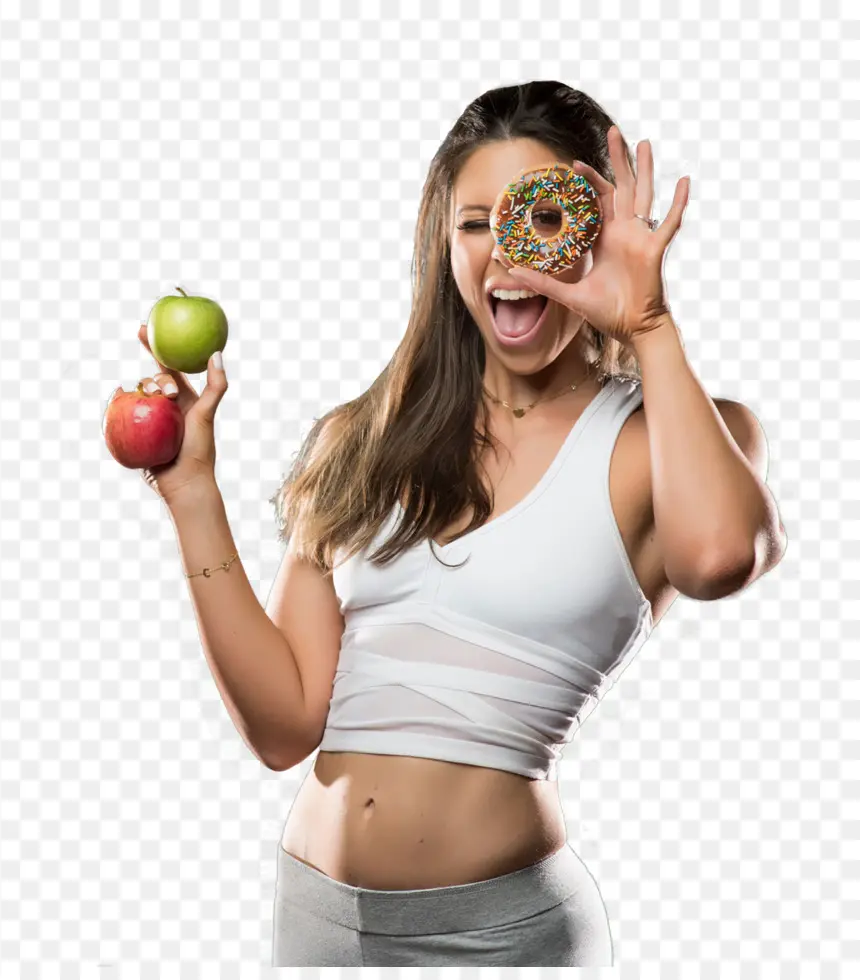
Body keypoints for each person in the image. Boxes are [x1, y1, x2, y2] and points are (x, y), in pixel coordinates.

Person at [134, 81, 787, 967]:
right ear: (443, 244)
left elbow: (717, 557)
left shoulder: (659, 437)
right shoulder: (358, 438)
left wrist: (648, 321)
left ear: (595, 228)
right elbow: (284, 725)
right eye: (474, 223)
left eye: (540, 217)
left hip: (500, 936)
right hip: (318, 922)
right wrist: (194, 495)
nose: (504, 256)